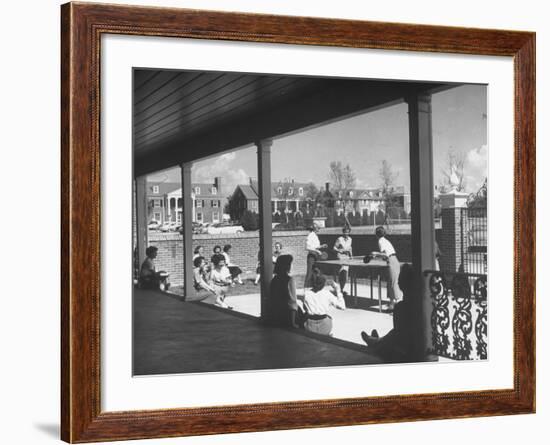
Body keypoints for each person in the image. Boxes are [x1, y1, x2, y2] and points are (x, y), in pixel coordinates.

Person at [360, 263, 415, 363]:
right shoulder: (420, 304)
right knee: (394, 334)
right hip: (411, 344)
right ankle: (378, 341)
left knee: (395, 335)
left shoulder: (401, 307)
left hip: (404, 351)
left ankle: (376, 343)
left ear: (401, 284)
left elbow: (398, 334)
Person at [374, 226, 402, 310]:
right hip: (393, 260)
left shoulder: (380, 241)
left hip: (392, 261)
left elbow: (385, 254)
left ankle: (398, 306)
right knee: (390, 283)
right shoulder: (385, 240)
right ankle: (391, 304)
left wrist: (375, 253)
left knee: (393, 283)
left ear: (376, 234)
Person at [268, 254, 298, 328]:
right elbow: (292, 301)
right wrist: (293, 323)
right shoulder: (289, 280)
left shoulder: (274, 280)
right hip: (286, 315)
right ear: (287, 266)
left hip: (275, 314)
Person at [333, 225, 353, 293]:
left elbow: (350, 248)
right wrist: (339, 251)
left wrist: (351, 256)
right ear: (343, 232)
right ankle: (338, 289)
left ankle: (341, 289)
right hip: (340, 257)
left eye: (347, 232)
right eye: (345, 232)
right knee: (341, 274)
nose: (346, 234)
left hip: (347, 257)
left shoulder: (350, 239)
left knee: (345, 275)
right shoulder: (339, 239)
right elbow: (334, 248)